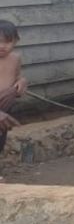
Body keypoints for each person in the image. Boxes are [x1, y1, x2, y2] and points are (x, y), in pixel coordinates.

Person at [0, 20, 26, 178]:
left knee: (0, 141)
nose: (2, 46)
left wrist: (21, 82)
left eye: (8, 42)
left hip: (5, 108)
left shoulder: (15, 59)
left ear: (16, 41)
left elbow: (17, 77)